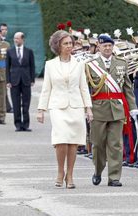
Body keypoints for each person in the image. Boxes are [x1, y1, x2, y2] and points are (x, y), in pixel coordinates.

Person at [37, 30, 93, 189]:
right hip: (57, 106)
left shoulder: (79, 64)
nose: (69, 46)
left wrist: (88, 108)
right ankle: (60, 171)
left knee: (73, 142)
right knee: (61, 139)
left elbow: (83, 88)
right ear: (58, 46)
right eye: (66, 44)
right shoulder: (50, 65)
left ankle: (70, 174)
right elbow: (46, 89)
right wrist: (41, 109)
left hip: (75, 106)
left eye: (71, 43)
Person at [86, 34, 138, 187]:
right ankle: (98, 170)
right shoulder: (90, 64)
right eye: (104, 46)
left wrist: (133, 107)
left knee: (115, 144)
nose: (107, 48)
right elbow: (85, 88)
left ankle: (114, 177)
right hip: (98, 109)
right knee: (98, 144)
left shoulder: (121, 63)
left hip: (117, 109)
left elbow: (127, 88)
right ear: (99, 47)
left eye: (110, 45)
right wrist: (86, 108)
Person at [6, 32, 35, 131]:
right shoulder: (10, 51)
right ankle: (18, 124)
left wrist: (32, 79)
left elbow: (32, 66)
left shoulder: (29, 51)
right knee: (16, 103)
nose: (15, 40)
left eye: (17, 38)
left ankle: (25, 124)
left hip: (26, 80)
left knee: (26, 103)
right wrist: (8, 81)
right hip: (14, 81)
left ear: (23, 40)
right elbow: (7, 67)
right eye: (14, 38)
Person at [0, 23, 13, 113]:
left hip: (5, 69)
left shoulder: (7, 42)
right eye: (2, 29)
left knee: (1, 88)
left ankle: (8, 107)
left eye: (5, 29)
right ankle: (8, 107)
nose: (4, 31)